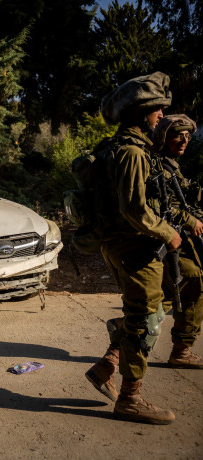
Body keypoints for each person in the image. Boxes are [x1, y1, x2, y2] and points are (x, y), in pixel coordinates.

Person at [84, 72, 180, 424]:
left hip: (118, 246)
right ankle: (130, 399)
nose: (160, 118)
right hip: (135, 248)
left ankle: (107, 365)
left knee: (148, 308)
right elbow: (135, 209)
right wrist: (168, 232)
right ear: (141, 114)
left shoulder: (111, 147)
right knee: (142, 322)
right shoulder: (132, 152)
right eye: (157, 111)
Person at [151, 114, 203, 368]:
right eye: (177, 135)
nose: (184, 140)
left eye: (187, 135)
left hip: (175, 236)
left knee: (188, 283)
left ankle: (181, 348)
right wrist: (191, 222)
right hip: (163, 239)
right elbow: (163, 206)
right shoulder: (157, 164)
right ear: (164, 137)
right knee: (185, 281)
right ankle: (124, 339)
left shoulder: (170, 164)